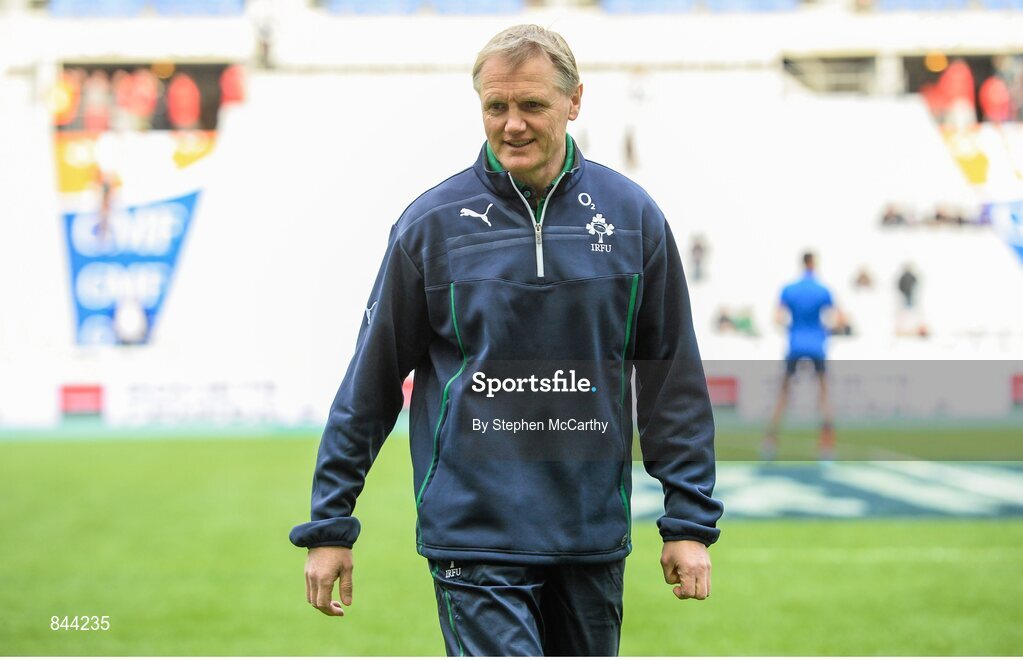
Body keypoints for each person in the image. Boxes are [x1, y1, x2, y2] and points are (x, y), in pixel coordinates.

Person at [290, 25, 722, 657]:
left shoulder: (633, 219)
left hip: (589, 534)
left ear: (574, 102)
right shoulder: (430, 226)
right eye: (496, 107)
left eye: (532, 106)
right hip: (474, 536)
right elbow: (372, 384)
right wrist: (330, 524)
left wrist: (688, 521)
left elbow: (671, 382)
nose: (512, 124)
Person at [761, 251, 837, 462]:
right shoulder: (823, 289)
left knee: (783, 394)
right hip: (817, 345)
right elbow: (837, 319)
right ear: (815, 263)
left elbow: (777, 318)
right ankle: (826, 447)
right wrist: (822, 330)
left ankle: (770, 442)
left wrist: (792, 329)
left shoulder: (789, 289)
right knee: (823, 395)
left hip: (795, 344)